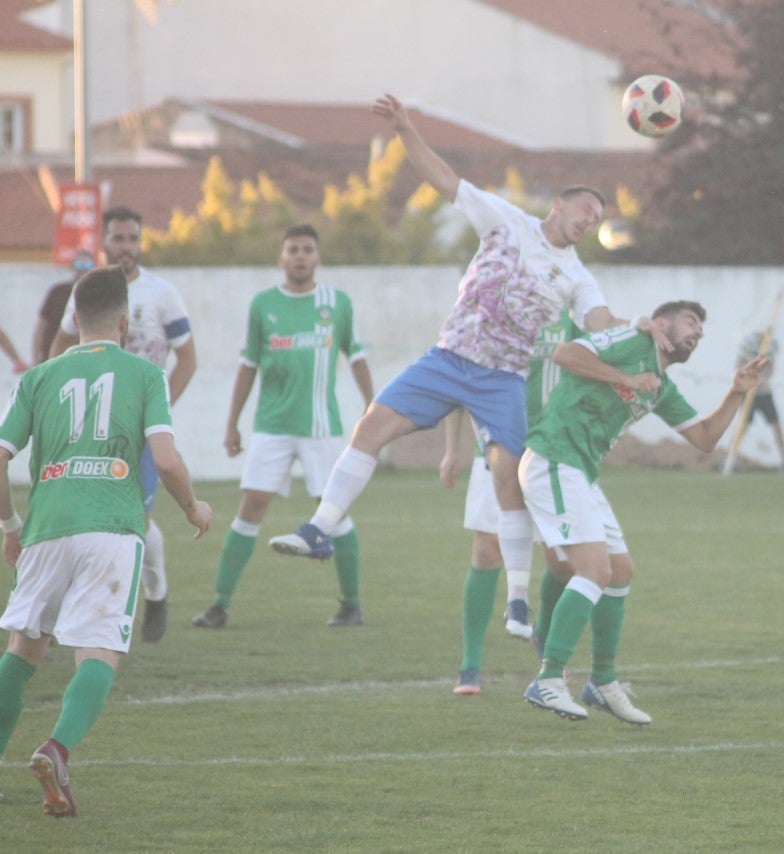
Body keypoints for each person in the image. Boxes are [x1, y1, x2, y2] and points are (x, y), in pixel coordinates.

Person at [270, 92, 665, 603]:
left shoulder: (576, 274)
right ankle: (319, 529)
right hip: (447, 359)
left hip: (501, 378)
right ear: (559, 204)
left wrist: (637, 324)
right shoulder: (506, 220)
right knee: (370, 426)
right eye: (585, 208)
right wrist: (405, 129)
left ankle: (518, 599)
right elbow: (443, 179)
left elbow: (599, 321)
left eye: (597, 218)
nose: (589, 220)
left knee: (511, 483)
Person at [0, 267, 212, 818]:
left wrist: (10, 527)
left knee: (23, 651)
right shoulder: (145, 375)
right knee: (100, 651)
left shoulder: (39, 377)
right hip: (112, 529)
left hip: (45, 527)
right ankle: (57, 747)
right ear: (124, 321)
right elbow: (164, 459)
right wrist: (193, 507)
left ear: (73, 319)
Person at [521, 300, 770, 723]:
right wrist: (627, 378)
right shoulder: (633, 340)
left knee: (620, 570)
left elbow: (706, 438)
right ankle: (547, 681)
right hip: (553, 457)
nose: (699, 332)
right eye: (691, 321)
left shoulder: (662, 388)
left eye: (701, 328)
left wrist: (735, 392)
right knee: (594, 571)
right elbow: (567, 354)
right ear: (660, 324)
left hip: (580, 470)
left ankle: (601, 681)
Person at [191, 225, 374, 630]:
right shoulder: (263, 305)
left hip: (320, 427)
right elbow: (248, 365)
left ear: (318, 258)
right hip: (271, 425)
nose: (300, 256)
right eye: (292, 249)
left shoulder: (336, 303)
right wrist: (232, 423)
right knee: (250, 507)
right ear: (281, 257)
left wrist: (374, 406)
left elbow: (357, 356)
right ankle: (219, 604)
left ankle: (352, 605)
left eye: (308, 249)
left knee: (332, 509)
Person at [49, 207, 197, 643]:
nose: (126, 248)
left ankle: (156, 592)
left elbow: (188, 358)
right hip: (91, 429)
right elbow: (60, 343)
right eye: (118, 239)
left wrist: (158, 415)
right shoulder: (89, 291)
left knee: (138, 520)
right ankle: (94, 610)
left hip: (139, 432)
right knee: (84, 519)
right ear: (104, 242)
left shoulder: (162, 293)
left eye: (133, 239)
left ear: (141, 243)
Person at [439, 310, 581, 695]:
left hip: (552, 453)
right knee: (486, 552)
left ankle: (546, 645)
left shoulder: (572, 311)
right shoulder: (487, 311)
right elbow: (457, 383)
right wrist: (452, 449)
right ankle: (470, 665)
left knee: (562, 559)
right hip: (499, 448)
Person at [736, 330, 784, 472]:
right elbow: (739, 365)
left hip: (765, 394)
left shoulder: (770, 344)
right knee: (743, 427)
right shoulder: (748, 343)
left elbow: (771, 366)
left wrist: (764, 380)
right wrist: (748, 380)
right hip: (749, 394)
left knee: (777, 426)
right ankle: (730, 460)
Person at [33, 250, 96, 365]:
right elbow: (41, 327)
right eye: (79, 265)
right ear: (72, 267)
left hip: (81, 361)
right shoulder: (57, 291)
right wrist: (36, 359)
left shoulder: (97, 295)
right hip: (52, 358)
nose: (83, 269)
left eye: (88, 265)